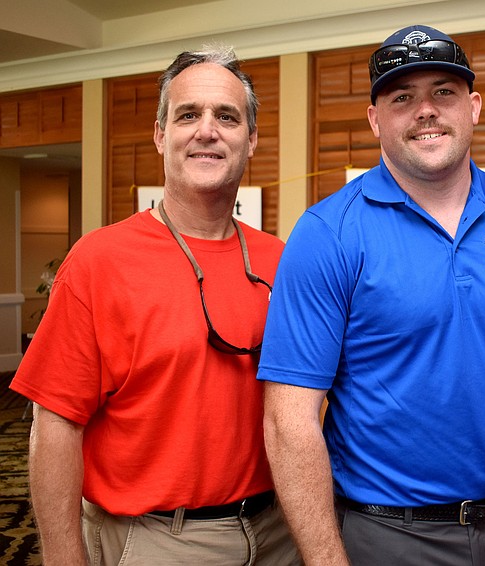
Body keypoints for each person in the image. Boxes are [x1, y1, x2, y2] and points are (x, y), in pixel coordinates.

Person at [259, 24, 485, 566]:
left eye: (443, 92)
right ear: (375, 119)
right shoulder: (327, 233)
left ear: (473, 106)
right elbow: (289, 419)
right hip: (382, 536)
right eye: (402, 97)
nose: (426, 110)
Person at [11, 46, 301, 566]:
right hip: (154, 539)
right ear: (161, 134)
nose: (207, 130)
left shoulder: (281, 261)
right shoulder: (98, 262)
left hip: (277, 530)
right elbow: (55, 425)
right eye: (188, 114)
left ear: (251, 139)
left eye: (227, 117)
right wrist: (62, 557)